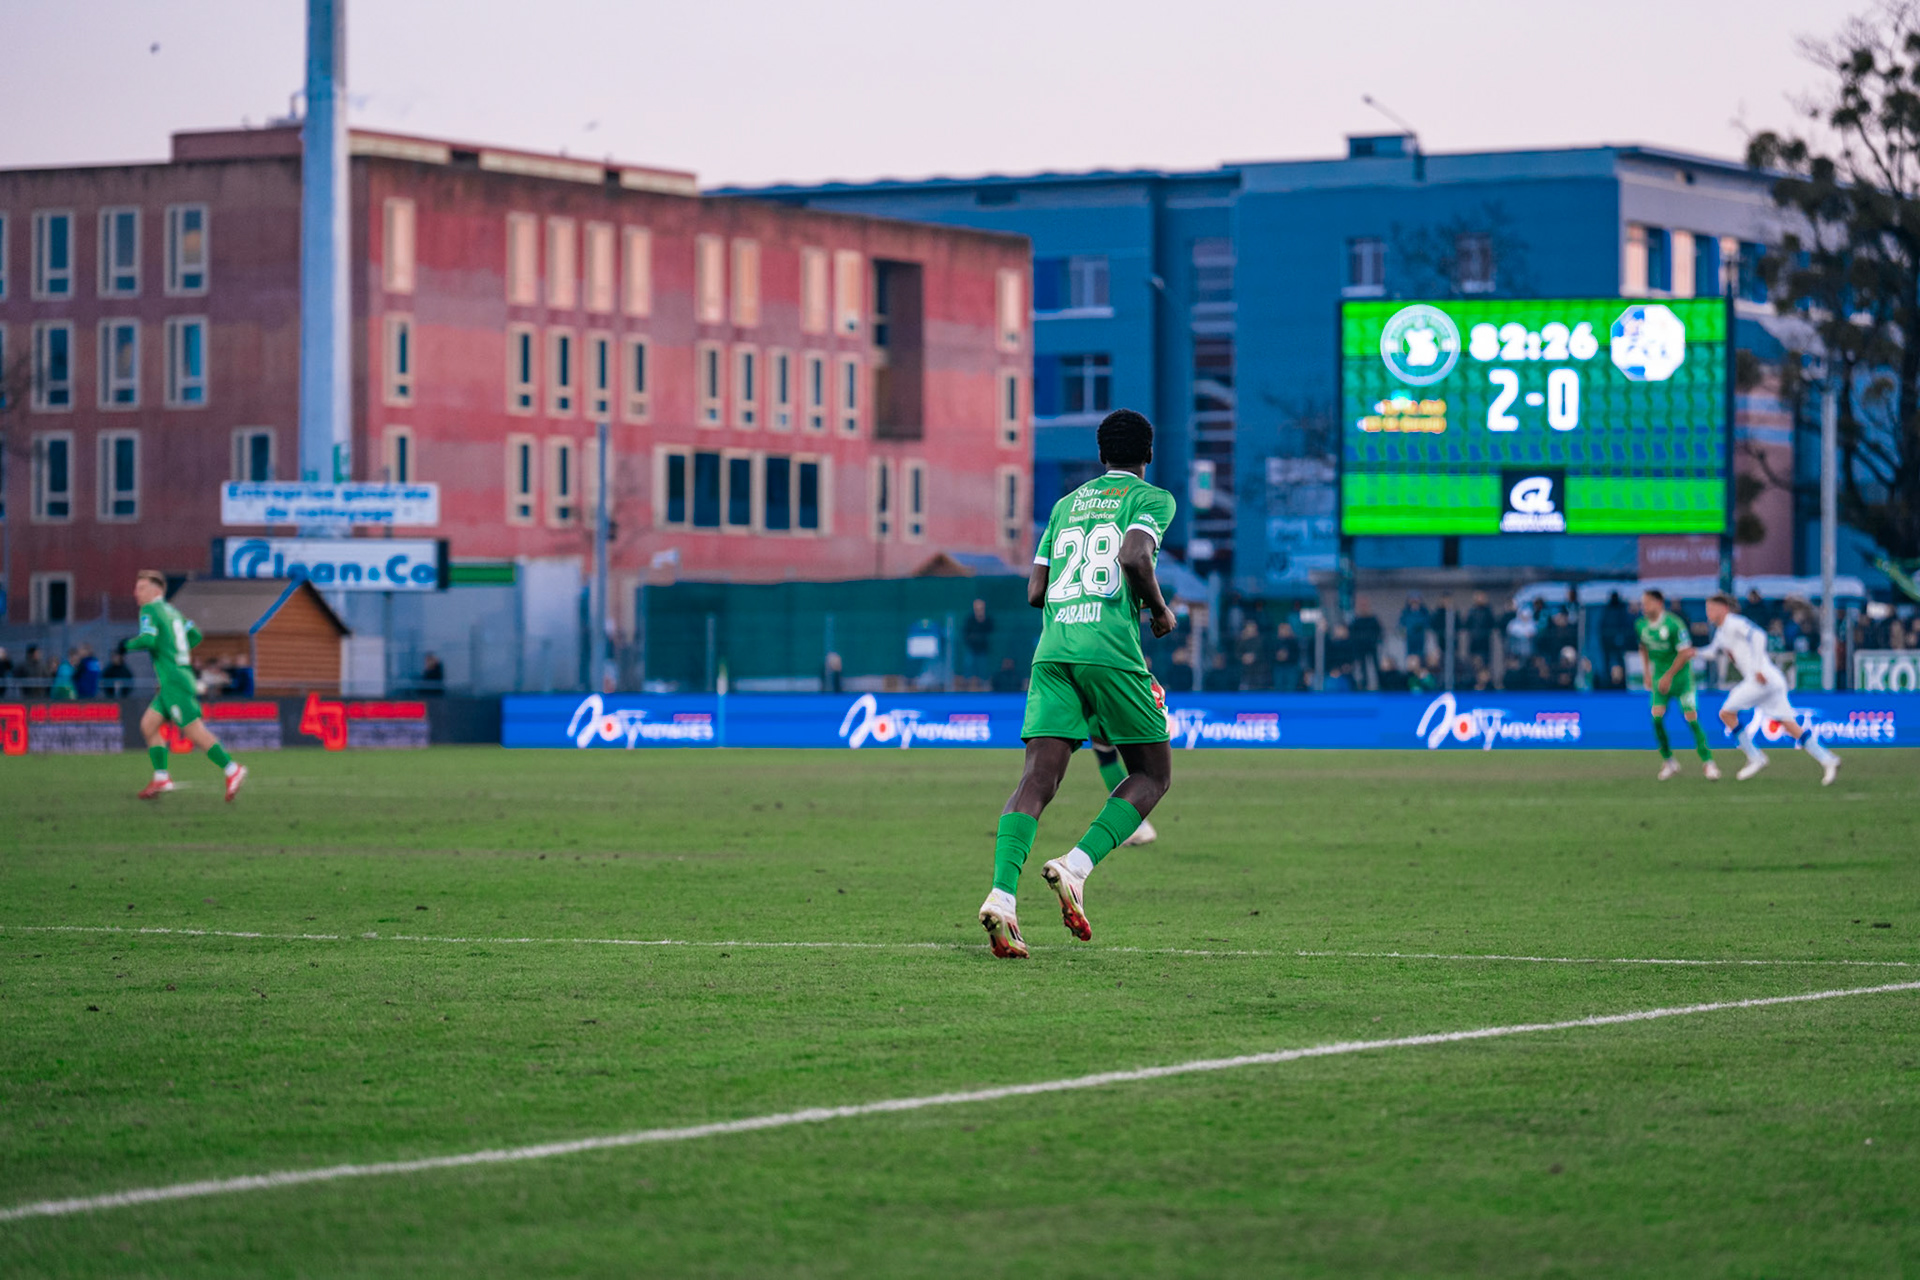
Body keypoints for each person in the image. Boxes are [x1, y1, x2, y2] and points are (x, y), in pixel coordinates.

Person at [979, 409, 1176, 959]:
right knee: (1153, 774)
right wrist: (1158, 611)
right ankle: (1075, 865)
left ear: (1100, 455)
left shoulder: (1066, 507)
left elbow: (1035, 591)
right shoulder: (1152, 499)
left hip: (1053, 650)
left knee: (1036, 779)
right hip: (1107, 648)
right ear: (1148, 455)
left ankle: (1002, 896)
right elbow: (1135, 556)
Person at [126, 569, 249, 802]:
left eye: (141, 588)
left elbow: (148, 639)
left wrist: (126, 645)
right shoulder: (172, 611)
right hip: (177, 677)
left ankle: (232, 769)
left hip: (173, 680)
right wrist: (179, 655)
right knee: (148, 725)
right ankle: (161, 777)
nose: (136, 593)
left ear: (156, 591)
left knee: (193, 730)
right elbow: (195, 635)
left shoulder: (150, 609)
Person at [1692, 592, 1841, 785]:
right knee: (1789, 725)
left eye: (1711, 609)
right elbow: (1712, 652)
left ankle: (1755, 757)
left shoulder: (1734, 622)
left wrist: (1757, 668)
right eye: (1707, 609)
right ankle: (1828, 759)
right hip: (1770, 680)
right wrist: (1693, 652)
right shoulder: (1721, 633)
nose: (1709, 613)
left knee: (1726, 713)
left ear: (1724, 609)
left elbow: (1759, 635)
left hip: (1761, 678)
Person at [1638, 589, 1717, 781]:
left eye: (1647, 602)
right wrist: (1647, 674)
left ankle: (1708, 762)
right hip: (1660, 680)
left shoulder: (1674, 624)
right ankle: (1669, 761)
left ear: (1658, 603)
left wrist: (1669, 676)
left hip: (1681, 680)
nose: (1644, 607)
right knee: (1656, 718)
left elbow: (1685, 652)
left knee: (1691, 718)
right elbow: (1643, 648)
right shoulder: (1641, 625)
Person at [961, 599, 995, 689]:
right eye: (977, 608)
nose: (979, 610)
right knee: (968, 668)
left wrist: (982, 619)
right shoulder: (970, 620)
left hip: (983, 650)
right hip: (971, 649)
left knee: (983, 670)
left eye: (981, 608)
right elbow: (966, 633)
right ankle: (967, 688)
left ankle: (984, 687)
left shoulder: (987, 619)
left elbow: (990, 631)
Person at [1398, 594, 1431, 667]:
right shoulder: (1405, 613)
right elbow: (1400, 626)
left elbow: (1428, 624)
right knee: (1410, 661)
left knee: (1421, 661)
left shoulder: (1424, 612)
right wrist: (1403, 635)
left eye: (1416, 600)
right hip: (1409, 642)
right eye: (1412, 600)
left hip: (1421, 641)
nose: (1414, 602)